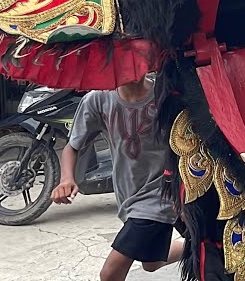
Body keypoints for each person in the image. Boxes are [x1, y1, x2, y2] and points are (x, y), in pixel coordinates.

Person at [51, 75, 182, 281]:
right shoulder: (98, 99)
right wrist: (67, 178)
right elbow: (72, 147)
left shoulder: (165, 95)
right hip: (128, 194)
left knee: (110, 274)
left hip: (161, 194)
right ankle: (198, 246)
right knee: (152, 263)